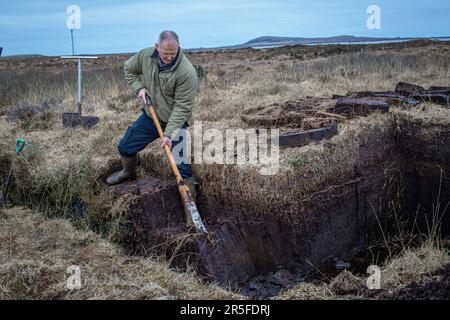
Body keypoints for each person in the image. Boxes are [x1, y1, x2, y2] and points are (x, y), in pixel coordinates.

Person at [106, 30, 199, 199]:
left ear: (179, 47)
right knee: (125, 147)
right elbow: (129, 69)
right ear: (157, 47)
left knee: (181, 169)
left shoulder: (187, 72)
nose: (170, 57)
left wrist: (169, 134)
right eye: (165, 53)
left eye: (173, 53)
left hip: (175, 121)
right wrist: (139, 88)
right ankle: (128, 172)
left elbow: (182, 107)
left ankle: (191, 208)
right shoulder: (145, 56)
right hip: (151, 116)